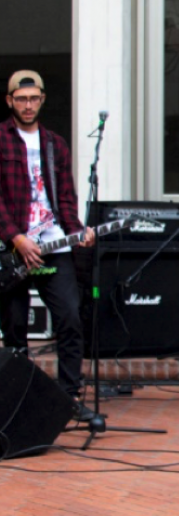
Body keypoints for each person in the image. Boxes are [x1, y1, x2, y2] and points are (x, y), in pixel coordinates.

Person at [0, 70, 96, 420]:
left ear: (42, 100)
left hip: (54, 246)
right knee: (15, 329)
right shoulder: (0, 139)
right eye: (21, 99)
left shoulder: (55, 143)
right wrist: (17, 237)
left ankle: (69, 398)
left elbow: (65, 197)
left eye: (34, 98)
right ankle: (17, 402)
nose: (28, 105)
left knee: (70, 317)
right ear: (10, 101)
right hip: (14, 252)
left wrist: (77, 229)